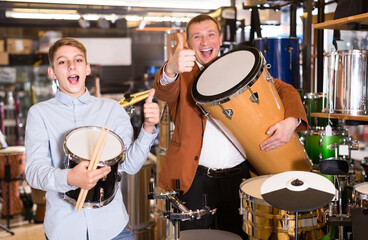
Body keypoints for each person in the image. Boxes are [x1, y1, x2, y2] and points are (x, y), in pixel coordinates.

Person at [153, 14, 309, 239]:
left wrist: (291, 121)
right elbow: (163, 90)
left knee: (238, 235)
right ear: (188, 43)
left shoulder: (238, 67)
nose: (205, 42)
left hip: (239, 179)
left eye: (210, 34)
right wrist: (170, 69)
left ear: (220, 38)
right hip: (194, 179)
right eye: (197, 37)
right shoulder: (181, 72)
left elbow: (283, 88)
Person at [25, 37, 160, 240]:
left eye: (78, 60)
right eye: (62, 62)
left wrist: (148, 128)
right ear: (52, 72)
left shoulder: (112, 109)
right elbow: (34, 172)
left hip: (114, 228)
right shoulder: (39, 113)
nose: (72, 66)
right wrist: (70, 178)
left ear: (87, 68)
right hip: (64, 230)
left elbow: (129, 165)